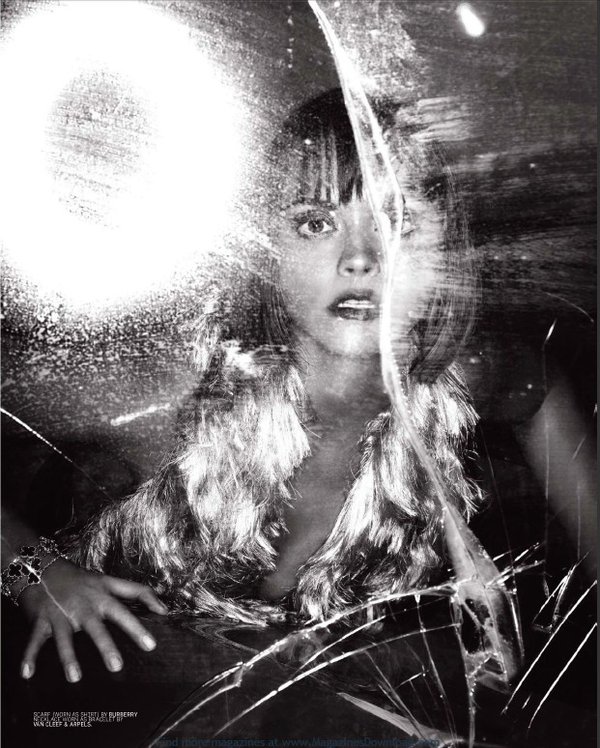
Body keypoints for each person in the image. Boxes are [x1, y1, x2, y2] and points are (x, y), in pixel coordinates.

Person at [3, 89, 504, 683]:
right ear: (267, 250)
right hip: (87, 697)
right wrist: (34, 574)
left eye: (397, 223)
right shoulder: (179, 389)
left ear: (447, 248)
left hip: (291, 711)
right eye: (315, 223)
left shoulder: (464, 385)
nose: (361, 258)